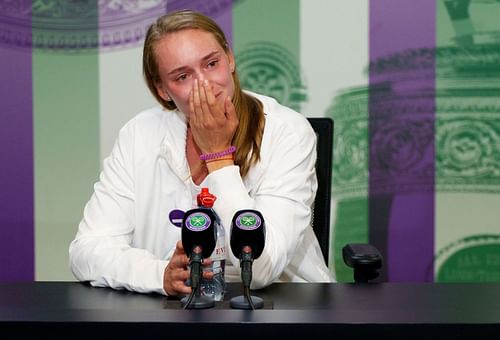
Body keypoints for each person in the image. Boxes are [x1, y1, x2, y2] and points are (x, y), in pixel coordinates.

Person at [69, 9, 334, 297]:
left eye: (211, 63)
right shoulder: (139, 134)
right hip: (178, 311)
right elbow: (87, 251)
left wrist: (218, 158)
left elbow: (259, 269)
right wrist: (159, 274)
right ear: (162, 90)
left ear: (230, 59)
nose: (205, 85)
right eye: (183, 76)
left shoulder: (288, 132)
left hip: (280, 309)